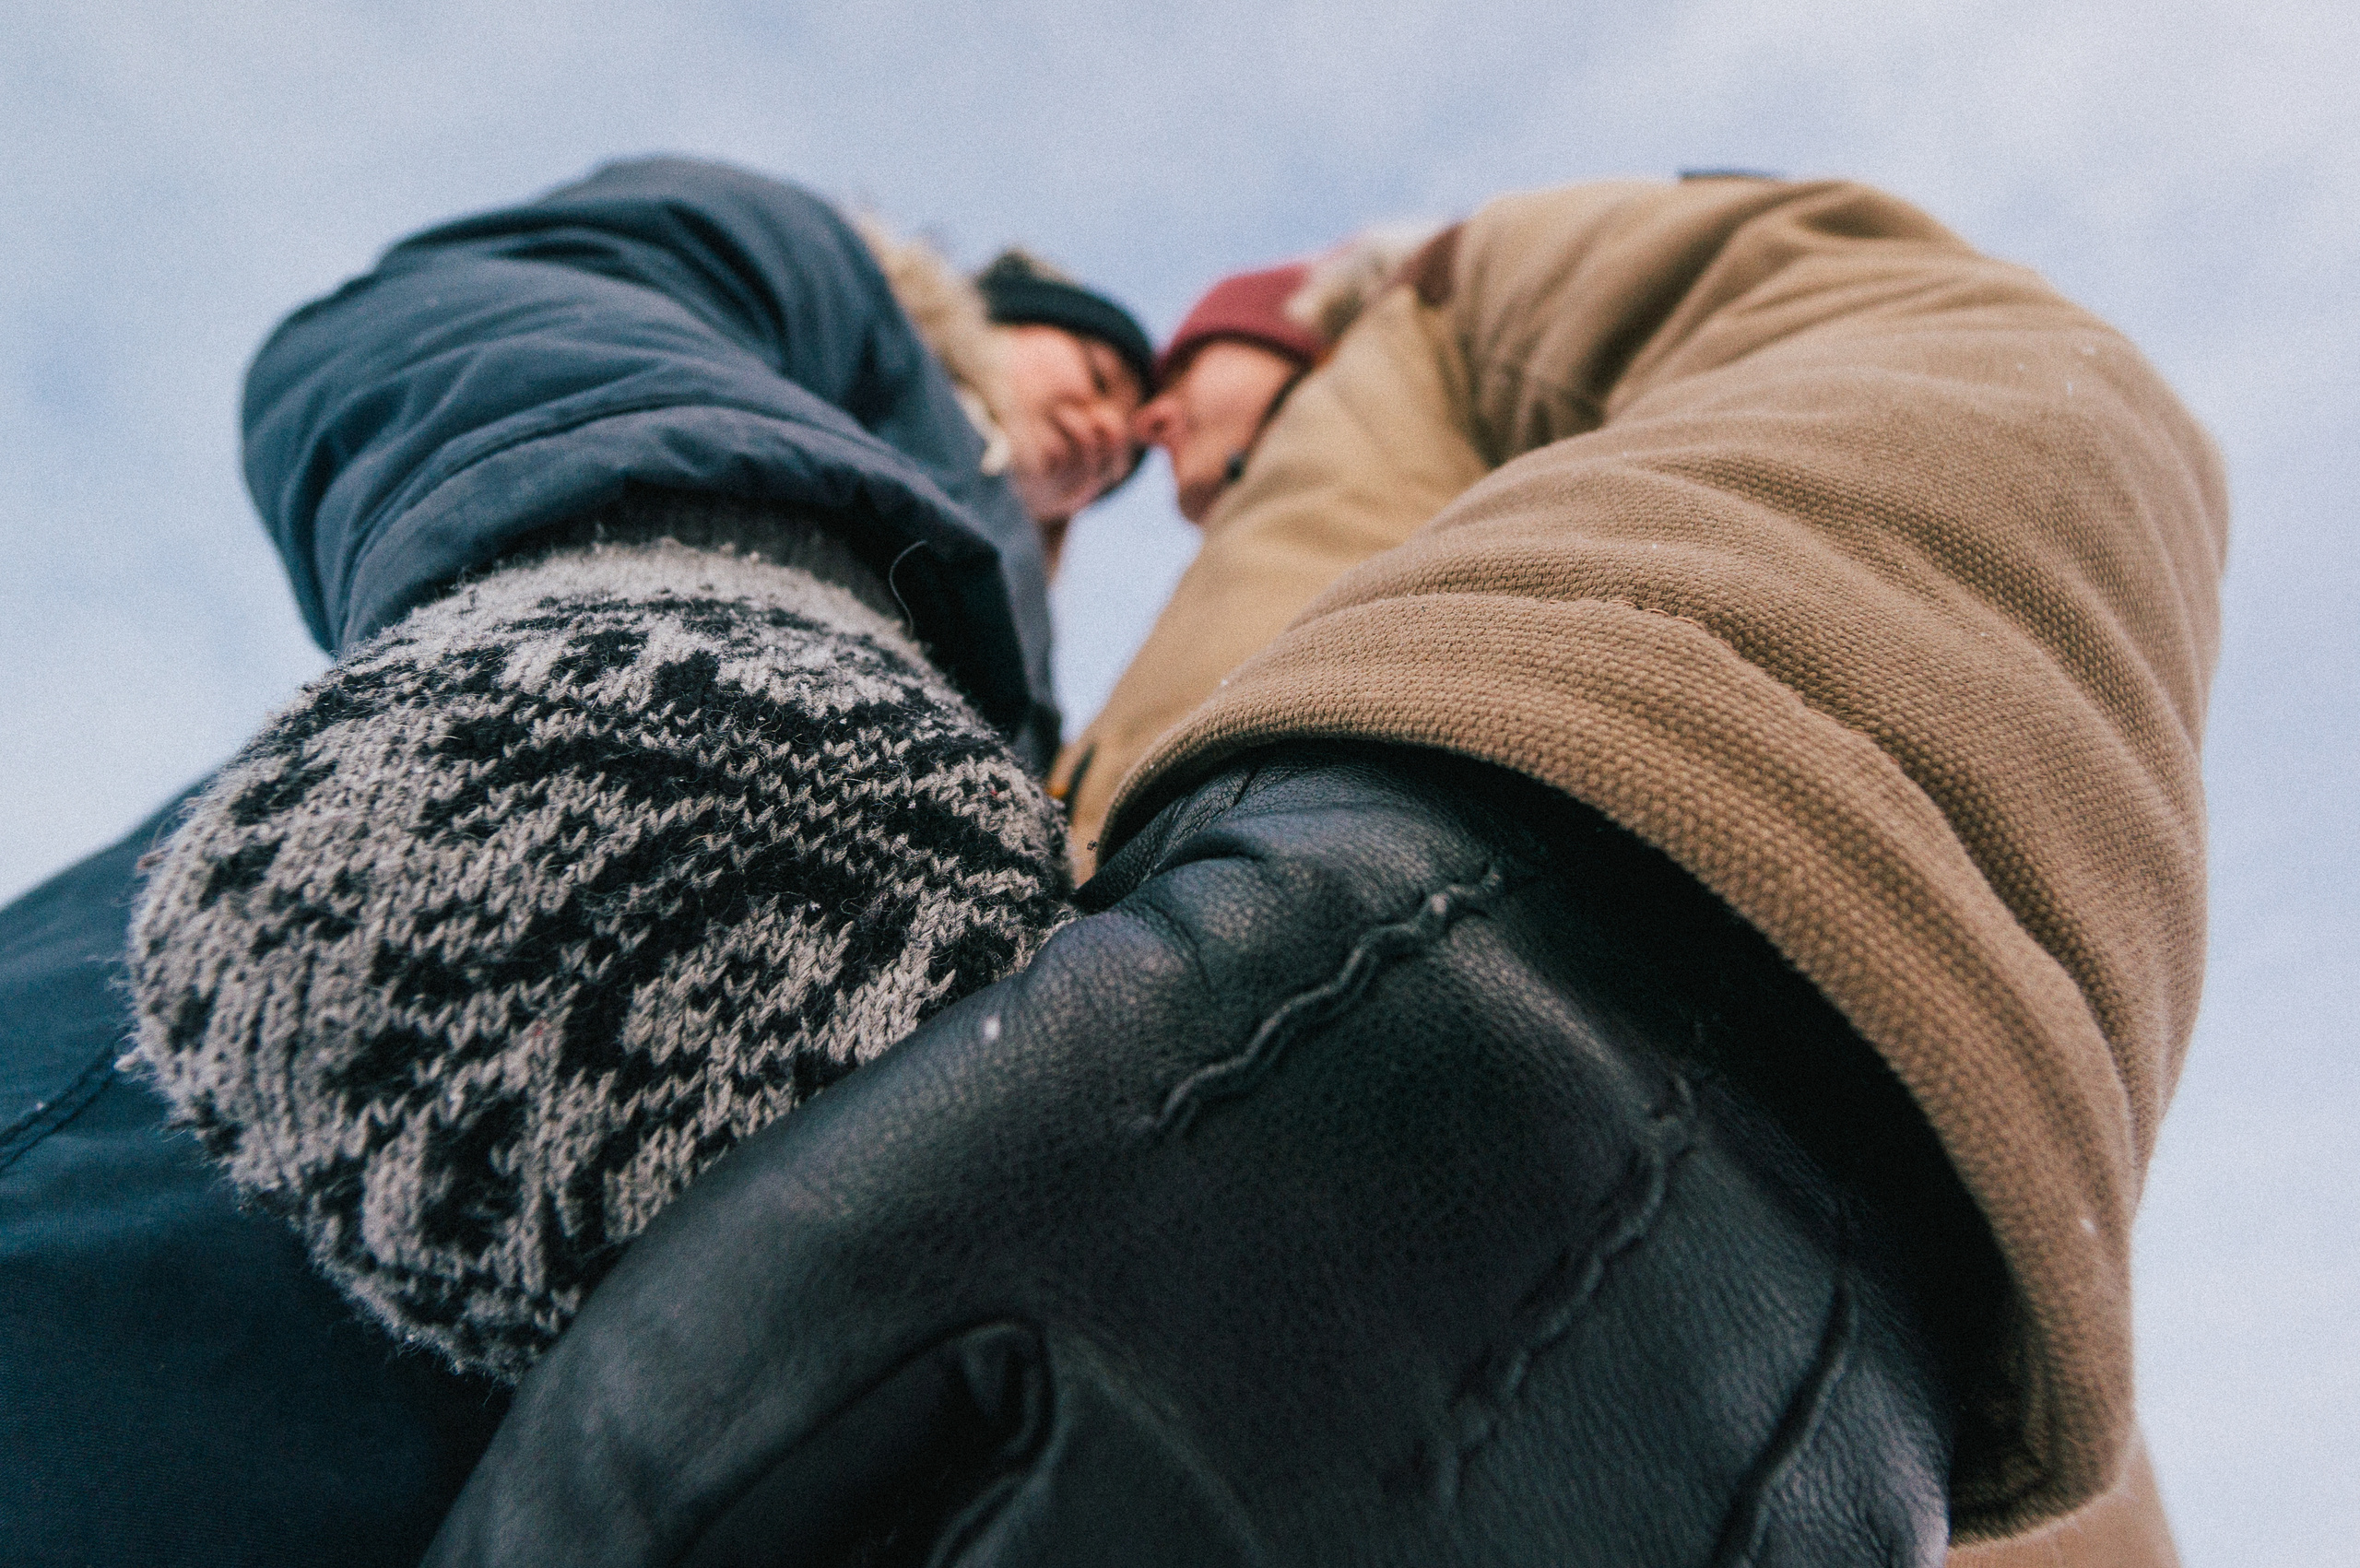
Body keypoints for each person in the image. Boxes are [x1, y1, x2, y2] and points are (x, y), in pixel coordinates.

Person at [419, 175, 2218, 1567]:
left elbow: (1980, 365)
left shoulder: (1446, 302)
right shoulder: (1150, 659)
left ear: (1278, 323)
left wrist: (1617, 957)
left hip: (1632, 1117)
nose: (1144, 431)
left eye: (1160, 376)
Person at [0, 154, 1149, 1565]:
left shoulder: (1020, 657)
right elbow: (480, 301)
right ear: (999, 314)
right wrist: (709, 572)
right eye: (1095, 365)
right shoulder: (843, 293)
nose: (1112, 424)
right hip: (305, 1039)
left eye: (1132, 441)